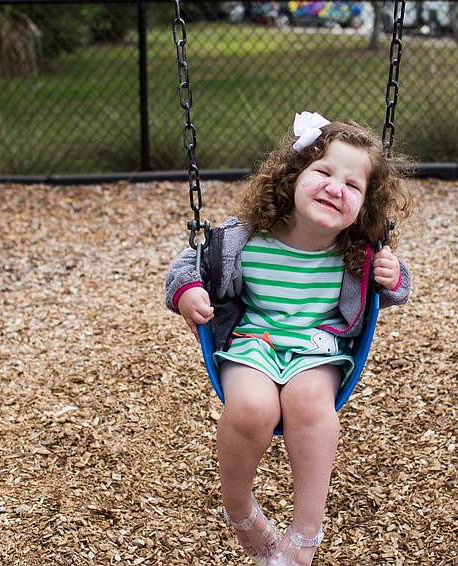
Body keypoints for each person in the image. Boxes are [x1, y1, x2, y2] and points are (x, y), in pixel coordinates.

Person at [165, 111, 413, 565]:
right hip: (251, 340)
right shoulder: (244, 237)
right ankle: (240, 512)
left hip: (316, 347)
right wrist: (187, 294)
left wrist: (392, 276)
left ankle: (303, 537)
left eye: (353, 186)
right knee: (252, 409)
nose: (336, 187)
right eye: (323, 172)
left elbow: (395, 290)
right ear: (294, 176)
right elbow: (186, 267)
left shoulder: (358, 252)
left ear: (366, 206)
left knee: (308, 406)